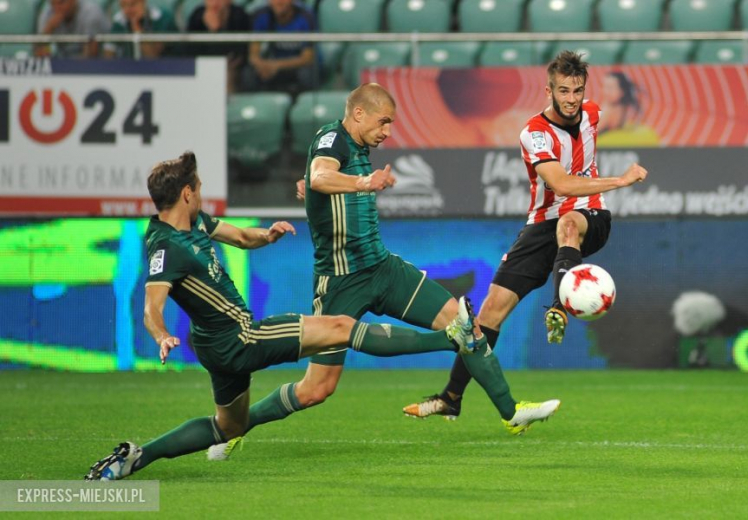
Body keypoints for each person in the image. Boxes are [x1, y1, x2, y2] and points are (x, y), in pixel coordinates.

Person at [204, 84, 560, 463]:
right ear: (358, 114)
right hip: (341, 282)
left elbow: (316, 183)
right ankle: (235, 427)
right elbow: (321, 175)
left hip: (383, 269)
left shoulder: (356, 148)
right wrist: (362, 182)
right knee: (316, 390)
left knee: (464, 324)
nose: (388, 131)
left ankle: (511, 412)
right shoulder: (332, 138)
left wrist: (321, 187)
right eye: (383, 121)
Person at [85, 150, 484, 481]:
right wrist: (160, 335)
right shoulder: (166, 247)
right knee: (342, 328)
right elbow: (151, 307)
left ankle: (137, 456)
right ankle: (451, 336)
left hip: (216, 346)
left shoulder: (194, 223)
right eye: (200, 187)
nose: (203, 192)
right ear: (187, 192)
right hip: (240, 336)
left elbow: (241, 237)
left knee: (228, 427)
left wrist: (268, 235)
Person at [403, 51, 648, 419]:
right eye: (563, 90)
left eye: (577, 90)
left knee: (568, 225)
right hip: (541, 223)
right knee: (488, 315)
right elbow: (561, 185)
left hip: (588, 215)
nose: (571, 98)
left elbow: (618, 117)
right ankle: (450, 397)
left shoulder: (593, 113)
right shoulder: (534, 133)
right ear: (547, 90)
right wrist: (621, 180)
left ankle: (561, 303)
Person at [244, 0, 320, 94]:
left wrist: (276, 65)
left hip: (295, 67)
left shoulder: (306, 16)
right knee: (248, 73)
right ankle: (254, 105)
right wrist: (262, 65)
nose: (278, 2)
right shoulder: (260, 15)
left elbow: (308, 58)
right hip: (270, 66)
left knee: (307, 74)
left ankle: (304, 104)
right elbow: (253, 54)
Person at [186, 0, 251, 94]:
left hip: (233, 66)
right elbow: (189, 50)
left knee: (232, 73)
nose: (215, 3)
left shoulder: (240, 15)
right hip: (203, 65)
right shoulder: (197, 16)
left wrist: (218, 31)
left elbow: (241, 52)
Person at [598, 71, 660, 147]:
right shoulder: (606, 109)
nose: (605, 91)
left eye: (610, 87)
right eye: (604, 87)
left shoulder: (612, 111)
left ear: (622, 91)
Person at [103, 0, 178, 60]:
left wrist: (137, 29)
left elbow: (151, 57)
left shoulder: (162, 18)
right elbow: (108, 55)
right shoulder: (120, 20)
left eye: (132, 4)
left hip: (168, 71)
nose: (128, 9)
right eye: (123, 5)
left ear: (143, 2)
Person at [35, 0, 110, 58]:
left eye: (61, 2)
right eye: (53, 4)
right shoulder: (48, 13)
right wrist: (49, 29)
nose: (57, 8)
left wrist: (66, 66)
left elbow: (91, 56)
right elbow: (39, 54)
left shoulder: (91, 13)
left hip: (95, 69)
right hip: (63, 64)